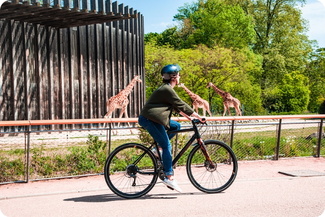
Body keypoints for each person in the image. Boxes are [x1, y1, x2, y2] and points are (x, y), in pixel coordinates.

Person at [138, 64, 205, 193]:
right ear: (173, 77)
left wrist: (190, 118)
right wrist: (197, 115)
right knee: (167, 145)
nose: (179, 76)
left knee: (177, 126)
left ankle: (157, 150)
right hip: (149, 120)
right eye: (178, 74)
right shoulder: (166, 90)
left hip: (155, 119)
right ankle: (169, 176)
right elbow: (180, 103)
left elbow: (177, 108)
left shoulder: (167, 89)